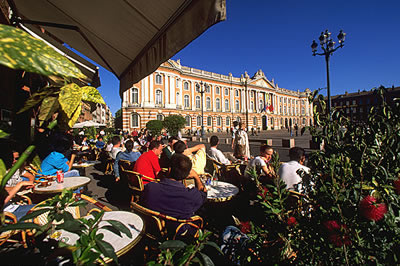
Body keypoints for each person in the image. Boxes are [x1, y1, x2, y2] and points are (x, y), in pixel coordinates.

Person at [142, 153, 207, 220]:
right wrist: (196, 177)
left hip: (153, 226)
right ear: (187, 175)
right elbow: (203, 193)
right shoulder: (190, 196)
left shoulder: (151, 188)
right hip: (179, 229)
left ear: (169, 170)